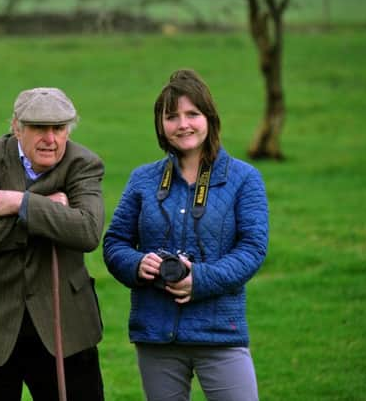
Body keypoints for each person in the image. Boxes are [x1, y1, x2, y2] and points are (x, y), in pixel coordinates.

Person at [103, 69, 269, 401]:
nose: (183, 124)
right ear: (160, 125)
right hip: (156, 334)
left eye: (192, 114)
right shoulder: (142, 179)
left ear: (210, 118)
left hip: (220, 332)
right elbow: (114, 242)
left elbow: (252, 248)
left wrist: (200, 279)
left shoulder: (244, 178)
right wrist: (138, 264)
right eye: (172, 116)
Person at [0, 87, 105, 401]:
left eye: (59, 128)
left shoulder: (83, 164)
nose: (50, 139)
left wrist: (22, 204)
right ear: (16, 127)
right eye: (39, 128)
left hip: (64, 329)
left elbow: (87, 231)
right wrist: (50, 212)